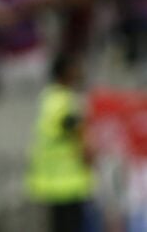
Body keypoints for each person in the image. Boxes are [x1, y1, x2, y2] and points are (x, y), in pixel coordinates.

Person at [25, 52, 95, 232]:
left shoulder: (48, 97)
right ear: (65, 71)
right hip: (68, 179)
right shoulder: (64, 100)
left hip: (52, 178)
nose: (79, 71)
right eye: (74, 68)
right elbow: (72, 126)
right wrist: (88, 150)